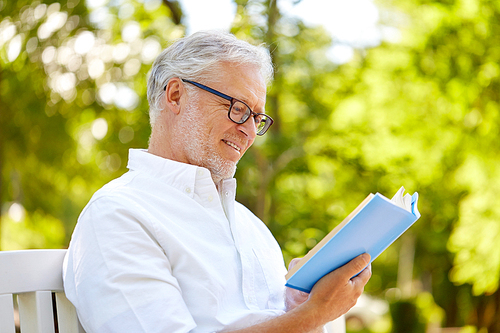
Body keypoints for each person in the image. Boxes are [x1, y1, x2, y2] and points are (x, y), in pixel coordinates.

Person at [63, 30, 371, 333]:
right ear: (175, 95)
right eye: (238, 109)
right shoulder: (118, 214)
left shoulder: (253, 230)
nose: (249, 133)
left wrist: (298, 303)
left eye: (257, 118)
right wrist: (316, 313)